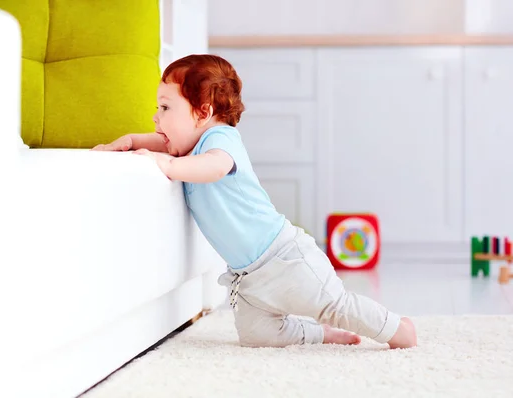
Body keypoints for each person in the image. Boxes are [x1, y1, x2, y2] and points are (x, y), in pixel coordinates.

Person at [92, 54, 417, 349]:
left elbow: (216, 165)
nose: (155, 118)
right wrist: (132, 142)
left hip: (285, 259)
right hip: (248, 278)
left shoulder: (219, 139)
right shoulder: (191, 144)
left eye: (165, 108)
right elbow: (164, 142)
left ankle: (397, 329)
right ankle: (319, 334)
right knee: (257, 337)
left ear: (203, 112)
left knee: (335, 306)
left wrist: (167, 165)